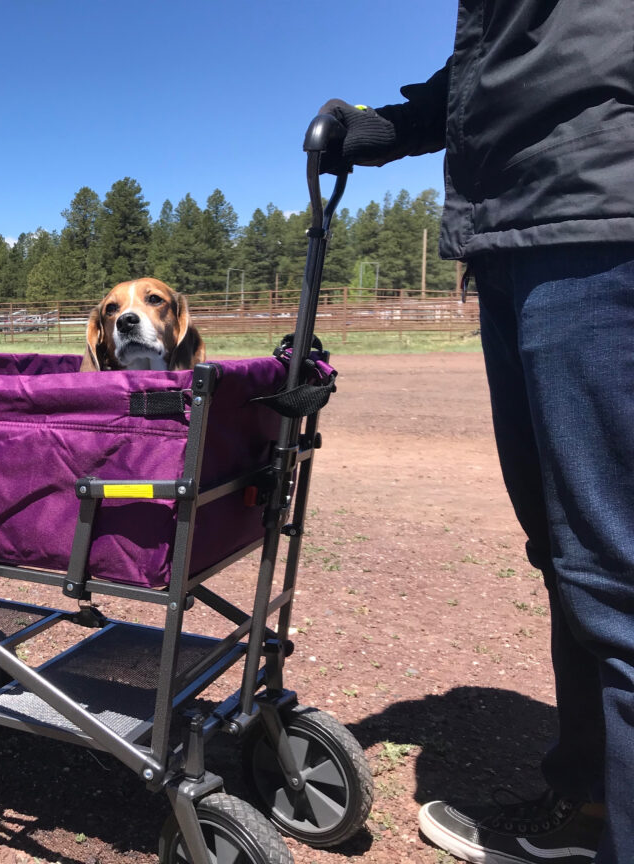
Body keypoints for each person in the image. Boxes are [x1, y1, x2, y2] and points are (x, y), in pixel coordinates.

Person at [316, 3, 634, 864]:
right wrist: (395, 126)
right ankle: (594, 807)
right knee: (571, 557)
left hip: (599, 217)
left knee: (617, 571)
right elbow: (512, 53)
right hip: (527, 227)